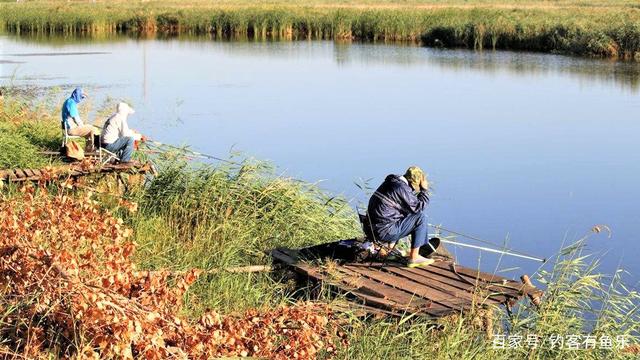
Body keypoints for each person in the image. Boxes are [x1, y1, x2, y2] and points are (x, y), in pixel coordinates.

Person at [366, 166, 433, 268]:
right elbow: (419, 208)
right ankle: (414, 258)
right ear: (412, 183)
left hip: (371, 230)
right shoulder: (402, 189)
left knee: (404, 214)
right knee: (421, 218)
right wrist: (424, 190)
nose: (413, 190)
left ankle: (390, 250)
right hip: (383, 232)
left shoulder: (391, 182)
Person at [61, 87, 95, 152]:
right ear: (77, 95)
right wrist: (82, 125)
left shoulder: (68, 101)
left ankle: (88, 150)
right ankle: (93, 151)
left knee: (88, 131)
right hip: (71, 129)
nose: (81, 99)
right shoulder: (71, 103)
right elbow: (76, 118)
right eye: (81, 97)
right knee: (92, 129)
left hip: (68, 128)